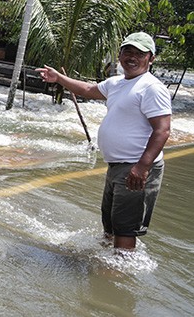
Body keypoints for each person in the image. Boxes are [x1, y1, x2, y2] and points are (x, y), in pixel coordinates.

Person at [36, 32, 172, 250]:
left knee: (125, 228)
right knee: (110, 225)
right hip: (118, 167)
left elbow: (162, 130)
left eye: (139, 53)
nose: (132, 57)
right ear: (119, 54)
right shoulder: (117, 83)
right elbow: (89, 90)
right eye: (128, 51)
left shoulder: (151, 88)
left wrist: (142, 167)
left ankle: (118, 277)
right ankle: (107, 267)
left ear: (151, 58)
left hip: (135, 167)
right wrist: (59, 78)